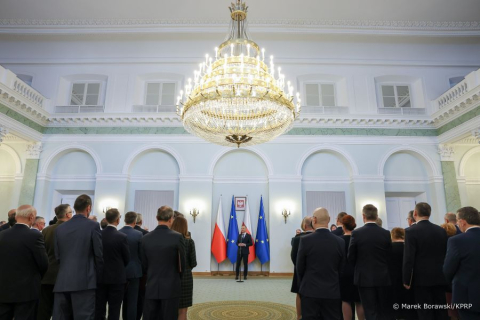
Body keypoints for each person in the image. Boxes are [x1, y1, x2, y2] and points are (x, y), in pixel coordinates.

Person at [53, 194, 104, 319]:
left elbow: (57, 256)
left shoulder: (60, 228)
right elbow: (98, 255)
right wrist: (99, 277)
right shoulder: (93, 225)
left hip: (62, 281)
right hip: (85, 282)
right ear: (88, 208)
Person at [0, 205, 48, 319]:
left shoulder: (2, 234)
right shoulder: (34, 235)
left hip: (3, 289)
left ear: (16, 217)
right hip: (27, 291)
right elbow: (43, 263)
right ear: (31, 217)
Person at [297, 207, 345, 320]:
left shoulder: (305, 240)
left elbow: (300, 267)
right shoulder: (340, 242)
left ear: (314, 220)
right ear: (328, 220)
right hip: (332, 291)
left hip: (310, 290)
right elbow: (342, 269)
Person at [403, 202, 448, 320]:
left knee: (425, 311)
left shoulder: (410, 231)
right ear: (429, 213)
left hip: (421, 279)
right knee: (441, 310)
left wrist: (406, 279)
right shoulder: (441, 230)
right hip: (440, 276)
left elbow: (408, 258)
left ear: (415, 213)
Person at [348, 204, 392, 320]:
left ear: (363, 216)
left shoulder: (357, 233)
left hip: (364, 278)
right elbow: (389, 256)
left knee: (369, 310)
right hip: (383, 277)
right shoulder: (386, 233)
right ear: (377, 216)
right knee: (383, 309)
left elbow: (351, 257)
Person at [141, 206, 185, 320]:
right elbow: (182, 265)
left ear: (156, 218)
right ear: (171, 219)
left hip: (151, 284)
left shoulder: (145, 238)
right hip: (171, 286)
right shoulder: (178, 237)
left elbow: (143, 264)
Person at [37, 204, 73, 320]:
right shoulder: (71, 230)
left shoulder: (46, 230)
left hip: (47, 275)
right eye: (71, 212)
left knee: (44, 309)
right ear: (67, 215)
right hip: (65, 276)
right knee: (62, 311)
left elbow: (42, 252)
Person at [444, 206, 480, 320]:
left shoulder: (457, 241)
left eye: (458, 221)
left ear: (463, 222)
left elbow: (448, 270)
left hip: (467, 296)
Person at [95, 208, 130, 320]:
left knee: (99, 308)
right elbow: (127, 258)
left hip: (100, 276)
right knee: (114, 309)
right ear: (118, 220)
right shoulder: (121, 236)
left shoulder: (98, 235)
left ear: (105, 219)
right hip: (117, 278)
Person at [388, 228, 417, 320]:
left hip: (393, 279)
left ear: (392, 235)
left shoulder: (388, 248)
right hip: (409, 278)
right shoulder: (408, 247)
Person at [171, 216, 197, 320]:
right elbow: (193, 263)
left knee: (170, 307)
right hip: (185, 277)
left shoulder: (169, 241)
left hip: (170, 277)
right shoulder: (189, 242)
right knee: (182, 311)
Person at [119, 211, 143, 320]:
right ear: (135, 221)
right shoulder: (138, 234)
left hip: (121, 271)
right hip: (134, 271)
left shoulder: (118, 232)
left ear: (124, 220)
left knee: (122, 300)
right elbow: (141, 254)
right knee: (133, 301)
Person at [340, 215, 364, 320]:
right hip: (358, 271)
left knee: (346, 300)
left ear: (343, 226)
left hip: (344, 272)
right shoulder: (359, 238)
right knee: (359, 300)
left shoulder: (339, 240)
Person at [290, 216, 314, 320]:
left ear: (304, 226)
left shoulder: (297, 239)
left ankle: (299, 316)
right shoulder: (317, 237)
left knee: (299, 294)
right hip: (314, 272)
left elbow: (293, 257)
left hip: (299, 272)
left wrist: (299, 268)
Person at [134, 212, 148, 320]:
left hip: (129, 271)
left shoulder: (124, 233)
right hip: (143, 271)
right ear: (141, 222)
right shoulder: (145, 234)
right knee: (141, 296)